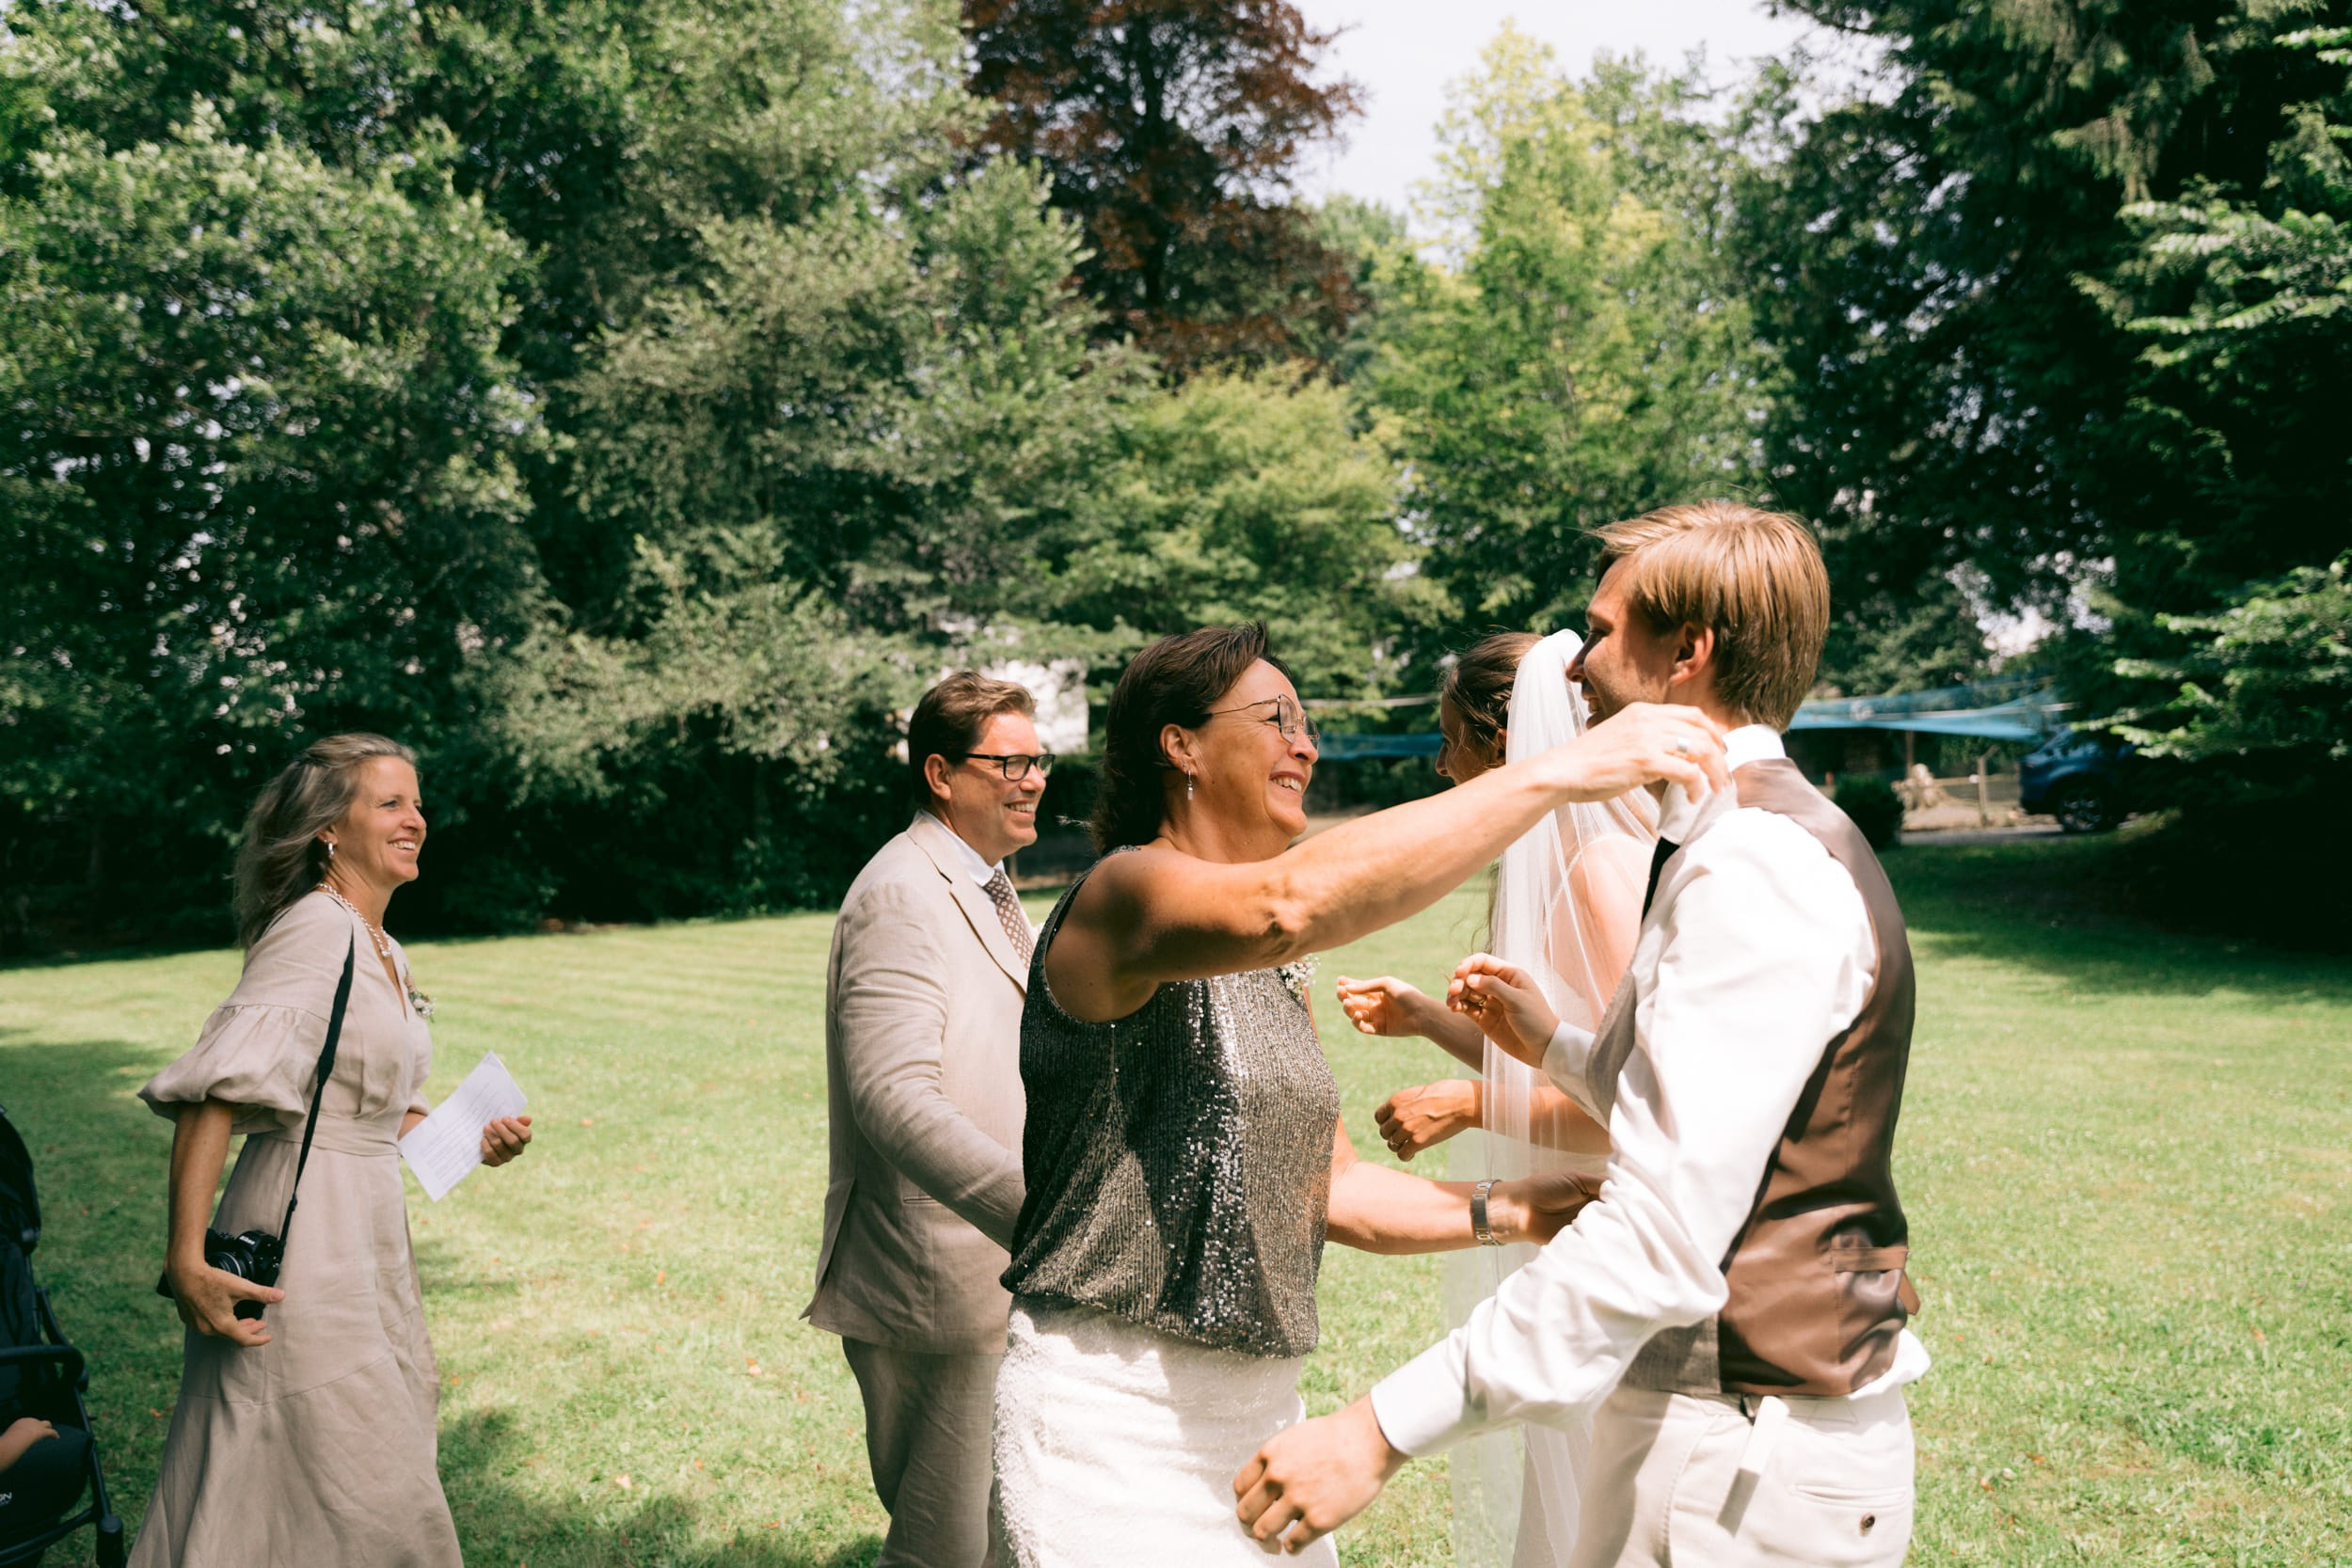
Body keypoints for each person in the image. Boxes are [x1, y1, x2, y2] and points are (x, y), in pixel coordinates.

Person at [1234, 501, 1929, 1568]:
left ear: (1688, 652)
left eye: (1603, 632)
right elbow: (1711, 1109)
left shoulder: (1751, 866)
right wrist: (1560, 1043)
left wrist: (1376, 1427)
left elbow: (1658, 1226)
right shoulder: (1726, 837)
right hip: (1713, 1429)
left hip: (1741, 1452)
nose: (1576, 667)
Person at [992, 622, 1728, 1567]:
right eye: (1275, 718)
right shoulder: (1121, 895)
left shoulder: (1274, 968)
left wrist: (1516, 1206)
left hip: (1262, 1423)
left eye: (1306, 722)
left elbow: (1329, 1185)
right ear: (1178, 742)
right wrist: (1558, 769)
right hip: (1108, 1414)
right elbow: (1285, 903)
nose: (1305, 743)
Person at [134, 734, 532, 1568]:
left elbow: (376, 1116)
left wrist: (475, 1139)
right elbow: (215, 1092)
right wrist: (186, 1255)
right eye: (389, 803)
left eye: (417, 803)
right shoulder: (316, 929)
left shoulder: (384, 946)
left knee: (322, 1462)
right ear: (327, 828)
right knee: (358, 1471)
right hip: (303, 1235)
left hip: (366, 1228)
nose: (415, 819)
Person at [1339, 628, 1657, 1568]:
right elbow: (1559, 1052)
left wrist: (1471, 1104)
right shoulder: (1558, 856)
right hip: (1567, 1222)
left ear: (1500, 736)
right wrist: (1430, 1018)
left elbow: (1622, 1103)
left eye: (1449, 740)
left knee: (1600, 1515)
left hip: (1609, 1230)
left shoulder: (1599, 870)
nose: (1441, 765)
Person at [805, 672, 1047, 1568]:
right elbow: (892, 1096)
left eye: (1039, 758)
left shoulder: (986, 882)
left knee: (1004, 1529)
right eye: (1008, 761)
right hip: (939, 1272)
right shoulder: (900, 891)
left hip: (1001, 1271)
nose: (1032, 778)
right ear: (941, 773)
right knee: (943, 1545)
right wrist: (1037, 1212)